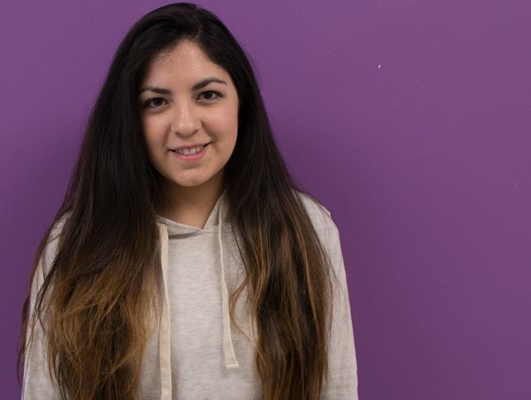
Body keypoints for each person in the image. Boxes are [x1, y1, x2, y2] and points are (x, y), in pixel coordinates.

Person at [19, 3, 357, 399]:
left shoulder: (305, 229)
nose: (185, 125)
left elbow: (336, 390)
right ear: (130, 118)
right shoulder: (77, 242)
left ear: (242, 104)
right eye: (157, 102)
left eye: (208, 95)